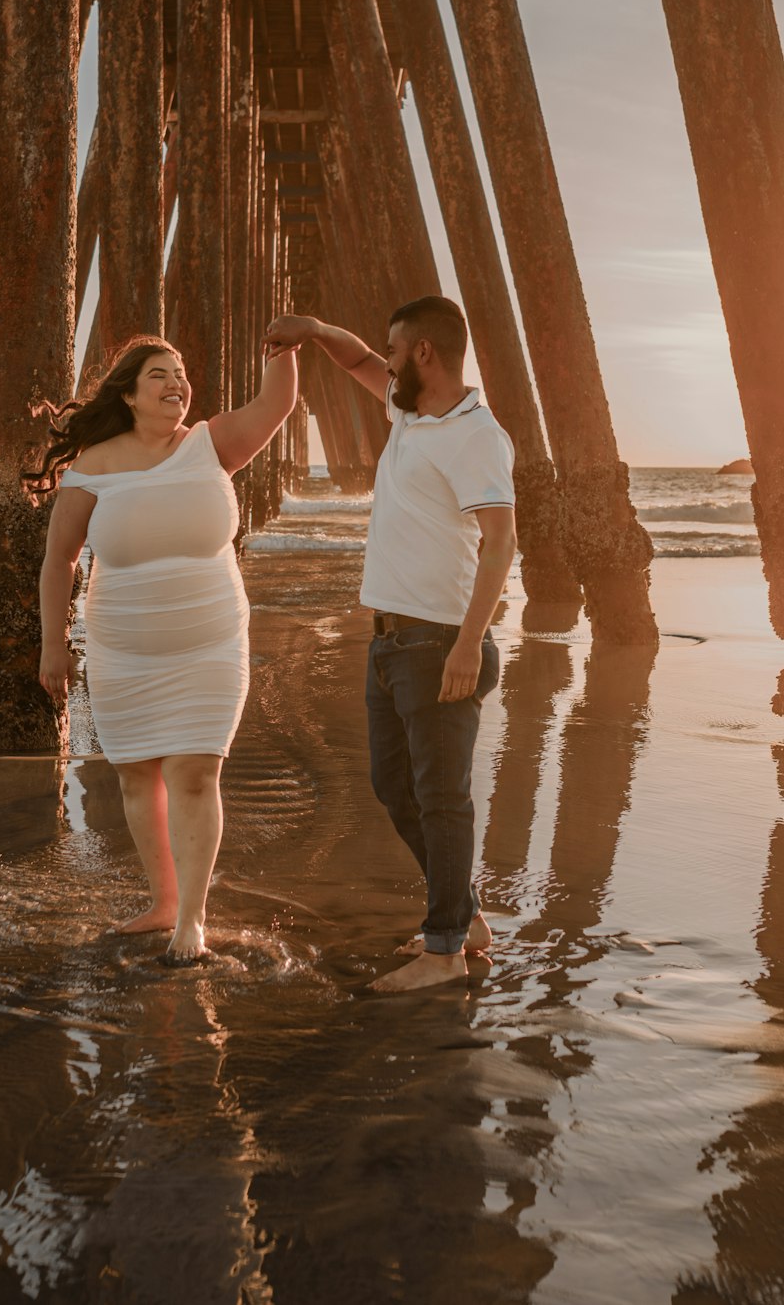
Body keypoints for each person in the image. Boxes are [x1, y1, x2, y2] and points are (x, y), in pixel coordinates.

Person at [264, 298, 517, 994]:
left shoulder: (476, 435)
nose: (385, 362)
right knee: (393, 787)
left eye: (395, 350)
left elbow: (501, 542)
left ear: (426, 354)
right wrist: (315, 327)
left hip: (439, 643)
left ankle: (444, 951)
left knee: (442, 799)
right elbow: (353, 360)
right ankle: (461, 917)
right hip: (390, 641)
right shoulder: (409, 412)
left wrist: (469, 644)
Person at [28, 334, 298, 965]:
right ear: (129, 393)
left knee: (195, 775)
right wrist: (53, 646)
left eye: (181, 374)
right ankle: (163, 901)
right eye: (160, 375)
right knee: (135, 776)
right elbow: (58, 561)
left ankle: (192, 921)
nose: (177, 384)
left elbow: (276, 404)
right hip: (123, 653)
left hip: (210, 645)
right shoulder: (93, 465)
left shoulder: (211, 443)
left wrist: (287, 342)